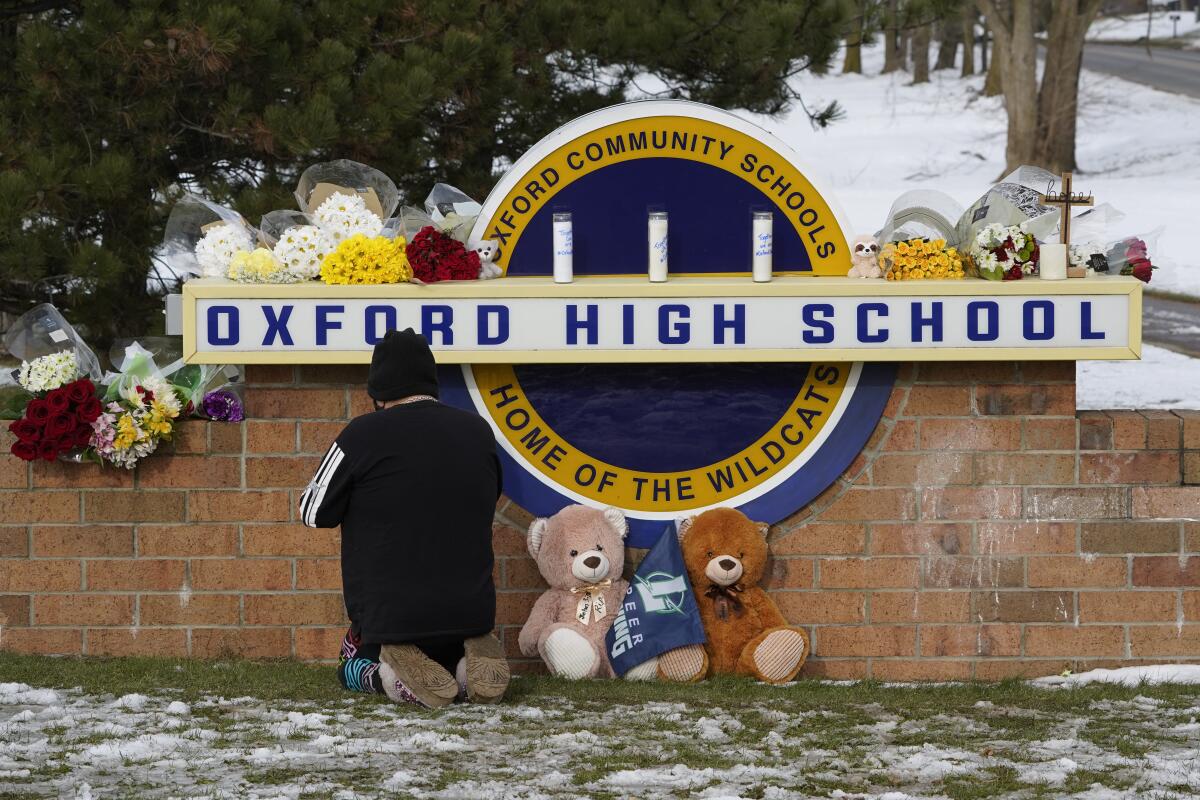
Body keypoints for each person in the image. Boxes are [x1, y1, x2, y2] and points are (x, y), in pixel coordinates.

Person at [300, 328, 508, 707]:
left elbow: (312, 513)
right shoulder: (478, 431)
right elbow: (490, 495)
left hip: (391, 615)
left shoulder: (360, 435)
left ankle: (388, 676)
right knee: (450, 651)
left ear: (378, 392)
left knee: (349, 662)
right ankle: (465, 668)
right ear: (431, 382)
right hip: (470, 611)